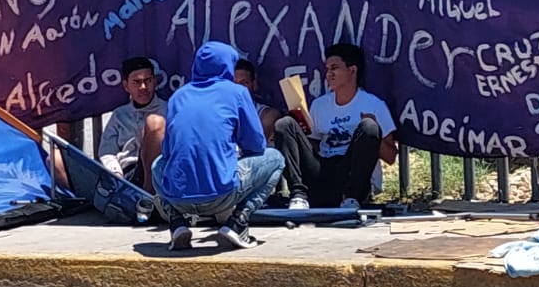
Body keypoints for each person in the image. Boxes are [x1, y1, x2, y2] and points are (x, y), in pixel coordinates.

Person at [153, 41, 285, 251]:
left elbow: (167, 152)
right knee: (276, 158)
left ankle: (177, 223)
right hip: (222, 193)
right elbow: (256, 145)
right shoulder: (237, 93)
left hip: (178, 197)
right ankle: (238, 222)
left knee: (157, 165)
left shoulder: (178, 96)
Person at [272, 42, 397, 210]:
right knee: (284, 124)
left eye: (334, 68)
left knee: (369, 127)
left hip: (350, 174)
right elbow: (315, 145)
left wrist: (374, 133)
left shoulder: (374, 104)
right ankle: (298, 195)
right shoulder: (319, 104)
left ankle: (351, 198)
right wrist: (299, 133)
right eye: (327, 69)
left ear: (352, 71)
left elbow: (390, 157)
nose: (329, 74)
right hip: (323, 172)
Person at [98, 56, 166, 190]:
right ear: (126, 86)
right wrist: (116, 174)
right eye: (136, 82)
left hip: (158, 175)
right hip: (126, 175)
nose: (143, 87)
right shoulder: (119, 115)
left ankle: (148, 197)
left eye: (148, 81)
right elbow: (107, 152)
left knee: (154, 125)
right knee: (56, 159)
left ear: (155, 82)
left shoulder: (168, 110)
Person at [232, 57, 282, 140]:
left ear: (254, 84)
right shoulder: (216, 112)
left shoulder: (267, 114)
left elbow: (256, 143)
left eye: (244, 83)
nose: (238, 89)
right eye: (233, 84)